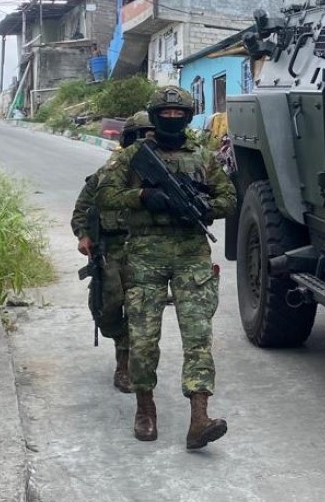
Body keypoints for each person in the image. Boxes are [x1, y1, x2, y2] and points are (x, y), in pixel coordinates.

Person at [95, 86, 236, 450]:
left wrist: (206, 206)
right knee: (142, 340)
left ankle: (199, 418)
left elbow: (229, 198)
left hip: (191, 255)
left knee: (198, 338)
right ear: (154, 118)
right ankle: (145, 408)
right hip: (144, 255)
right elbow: (104, 195)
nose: (172, 120)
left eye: (179, 116)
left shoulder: (204, 157)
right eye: (165, 116)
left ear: (188, 117)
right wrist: (143, 196)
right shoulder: (131, 158)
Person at [70, 111, 155, 393]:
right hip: (110, 250)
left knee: (137, 308)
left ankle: (126, 362)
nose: (144, 143)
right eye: (139, 137)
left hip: (143, 249)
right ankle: (120, 340)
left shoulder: (159, 177)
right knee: (107, 308)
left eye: (150, 137)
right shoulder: (107, 174)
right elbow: (82, 209)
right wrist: (83, 236)